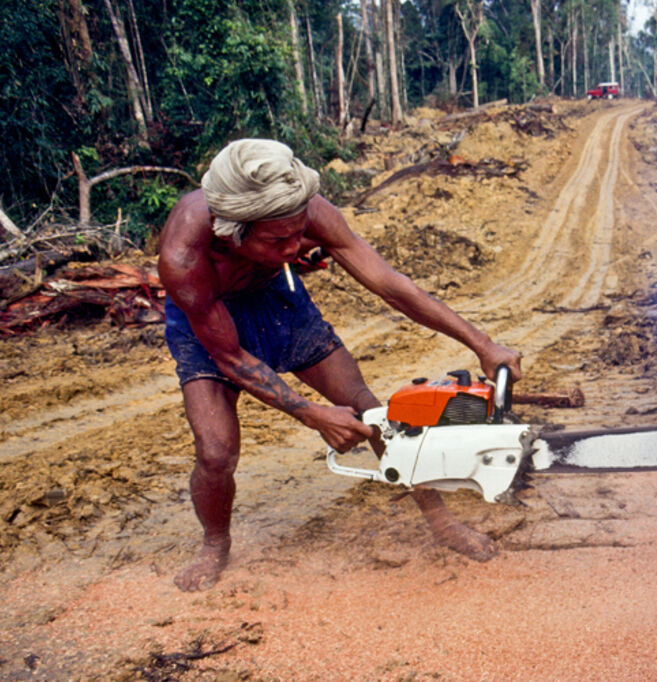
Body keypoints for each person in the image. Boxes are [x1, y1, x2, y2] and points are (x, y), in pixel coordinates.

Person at [158, 138, 522, 591]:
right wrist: (308, 413)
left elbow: (391, 285)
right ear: (233, 231)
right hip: (208, 317)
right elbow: (230, 356)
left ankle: (441, 522)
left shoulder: (308, 210)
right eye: (279, 240)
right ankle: (215, 543)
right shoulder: (184, 256)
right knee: (215, 452)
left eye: (300, 232)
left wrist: (481, 343)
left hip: (279, 299)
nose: (297, 245)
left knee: (373, 414)